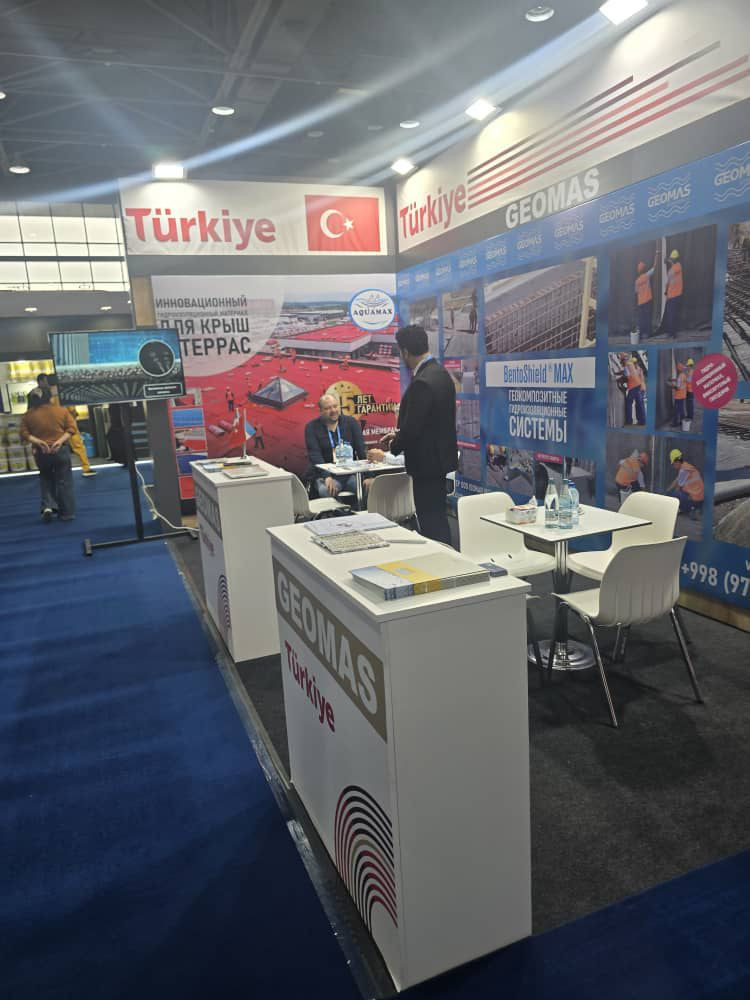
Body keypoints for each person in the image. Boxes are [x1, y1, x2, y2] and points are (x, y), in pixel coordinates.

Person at [380, 325, 457, 544]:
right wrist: (398, 435)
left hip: (426, 465)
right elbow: (428, 422)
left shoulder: (422, 382)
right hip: (439, 462)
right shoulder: (441, 374)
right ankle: (447, 556)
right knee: (438, 517)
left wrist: (394, 445)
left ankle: (442, 560)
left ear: (405, 351)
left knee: (431, 522)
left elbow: (413, 429)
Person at [20, 387, 77, 521]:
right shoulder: (61, 410)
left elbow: (24, 433)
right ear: (49, 397)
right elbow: (72, 429)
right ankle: (67, 513)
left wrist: (39, 442)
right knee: (63, 481)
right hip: (60, 450)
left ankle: (48, 506)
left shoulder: (28, 415)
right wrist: (59, 442)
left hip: (41, 452)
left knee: (45, 478)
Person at [305, 393, 367, 502]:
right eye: (328, 408)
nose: (333, 410)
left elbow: (361, 450)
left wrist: (369, 475)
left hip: (349, 474)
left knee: (367, 488)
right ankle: (341, 512)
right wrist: (327, 476)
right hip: (326, 475)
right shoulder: (312, 427)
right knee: (326, 490)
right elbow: (315, 455)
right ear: (321, 411)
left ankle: (357, 511)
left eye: (335, 406)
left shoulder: (351, 422)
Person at [666, 448, 704, 515]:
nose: (673, 466)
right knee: (674, 493)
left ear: (677, 462)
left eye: (673, 464)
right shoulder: (686, 466)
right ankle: (691, 509)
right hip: (699, 497)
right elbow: (676, 480)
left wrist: (668, 495)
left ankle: (689, 509)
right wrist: (667, 490)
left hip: (695, 499)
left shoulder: (683, 470)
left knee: (674, 494)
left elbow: (678, 488)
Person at [617, 353, 646, 426]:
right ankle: (642, 421)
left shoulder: (627, 364)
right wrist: (621, 373)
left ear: (623, 360)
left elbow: (627, 375)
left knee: (628, 403)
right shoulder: (630, 364)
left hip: (634, 386)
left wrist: (620, 378)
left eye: (621, 361)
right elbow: (630, 373)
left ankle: (629, 421)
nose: (621, 363)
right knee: (639, 403)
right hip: (638, 385)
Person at [662, 249, 684, 338]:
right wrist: (668, 260)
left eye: (671, 259)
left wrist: (665, 291)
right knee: (674, 314)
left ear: (673, 259)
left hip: (672, 295)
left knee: (670, 314)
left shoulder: (671, 271)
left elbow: (667, 283)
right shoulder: (679, 266)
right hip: (678, 294)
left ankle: (671, 333)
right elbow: (673, 262)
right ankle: (673, 333)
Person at [634, 257, 656, 340]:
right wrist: (657, 255)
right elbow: (654, 267)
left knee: (641, 319)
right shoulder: (647, 275)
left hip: (641, 302)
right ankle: (649, 334)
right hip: (648, 300)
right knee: (648, 318)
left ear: (638, 271)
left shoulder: (637, 281)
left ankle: (640, 335)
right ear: (644, 269)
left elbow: (636, 292)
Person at [668, 361, 688, 426]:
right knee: (681, 409)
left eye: (677, 368)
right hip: (683, 395)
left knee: (676, 410)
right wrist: (672, 380)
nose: (677, 369)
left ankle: (675, 423)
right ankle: (682, 422)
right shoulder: (683, 375)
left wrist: (670, 385)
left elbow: (677, 387)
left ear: (679, 369)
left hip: (679, 396)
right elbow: (679, 380)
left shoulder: (680, 376)